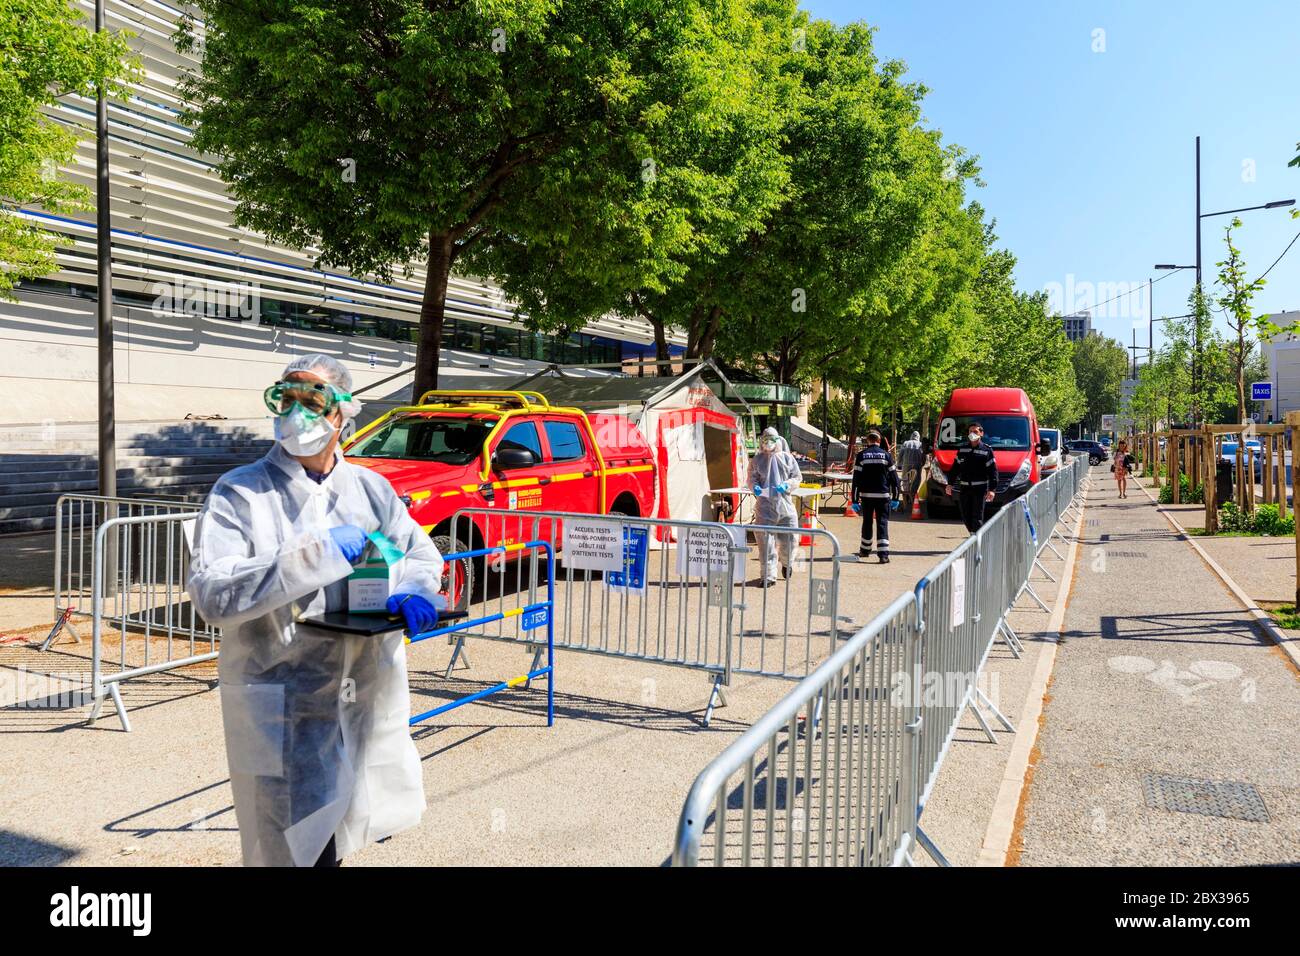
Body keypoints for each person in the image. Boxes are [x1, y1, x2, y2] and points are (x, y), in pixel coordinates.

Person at [188, 354, 445, 867]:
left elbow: (416, 553)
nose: (296, 413)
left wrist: (416, 588)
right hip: (281, 701)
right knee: (288, 844)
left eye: (314, 401)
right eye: (286, 399)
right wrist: (315, 555)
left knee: (346, 829)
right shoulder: (241, 492)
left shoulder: (370, 489)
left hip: (362, 695)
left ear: (343, 414)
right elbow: (213, 593)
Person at [747, 427, 802, 586]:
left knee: (790, 540)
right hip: (765, 508)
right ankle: (768, 577)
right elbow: (752, 478)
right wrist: (754, 486)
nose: (768, 443)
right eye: (765, 440)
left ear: (778, 441)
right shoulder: (757, 460)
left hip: (785, 507)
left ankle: (787, 562)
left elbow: (797, 477)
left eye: (771, 440)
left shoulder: (787, 458)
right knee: (766, 544)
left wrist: (787, 485)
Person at [852, 430, 900, 562]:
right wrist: (896, 497)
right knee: (882, 523)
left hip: (866, 496)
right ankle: (883, 555)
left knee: (867, 522)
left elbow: (856, 480)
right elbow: (895, 479)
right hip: (883, 496)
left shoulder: (861, 456)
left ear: (867, 441)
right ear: (879, 441)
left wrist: (855, 500)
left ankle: (865, 550)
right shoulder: (887, 456)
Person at [945, 420, 999, 533]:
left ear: (981, 433)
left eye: (975, 431)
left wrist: (992, 489)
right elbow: (955, 468)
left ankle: (976, 542)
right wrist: (949, 484)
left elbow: (993, 471)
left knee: (977, 516)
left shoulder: (986, 450)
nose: (972, 434)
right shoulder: (962, 449)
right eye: (970, 431)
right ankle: (973, 535)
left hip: (980, 489)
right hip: (964, 488)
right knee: (966, 515)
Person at [896, 430, 925, 512]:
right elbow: (923, 455)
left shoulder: (906, 443)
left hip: (906, 464)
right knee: (916, 480)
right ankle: (913, 493)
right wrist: (922, 464)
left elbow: (900, 454)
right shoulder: (920, 444)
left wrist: (899, 463)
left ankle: (906, 494)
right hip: (917, 465)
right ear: (918, 437)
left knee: (905, 479)